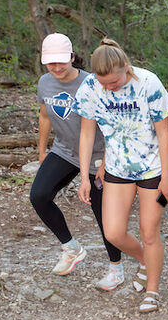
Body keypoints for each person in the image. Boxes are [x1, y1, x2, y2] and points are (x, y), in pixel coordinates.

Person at [73, 39, 168, 313]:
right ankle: (145, 261)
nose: (109, 87)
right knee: (114, 232)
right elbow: (86, 133)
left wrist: (167, 177)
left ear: (126, 68)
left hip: (152, 171)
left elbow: (164, 134)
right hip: (117, 170)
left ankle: (152, 290)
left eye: (114, 82)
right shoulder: (90, 88)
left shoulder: (148, 82)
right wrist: (85, 176)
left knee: (149, 231)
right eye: (103, 82)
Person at [30, 33, 125, 289]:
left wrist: (106, 160)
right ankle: (71, 247)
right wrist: (42, 151)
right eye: (51, 63)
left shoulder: (92, 83)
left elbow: (110, 124)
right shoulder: (44, 83)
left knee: (102, 213)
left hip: (97, 156)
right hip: (63, 151)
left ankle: (116, 267)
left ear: (72, 57)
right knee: (39, 195)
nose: (57, 68)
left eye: (62, 61)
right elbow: (45, 117)